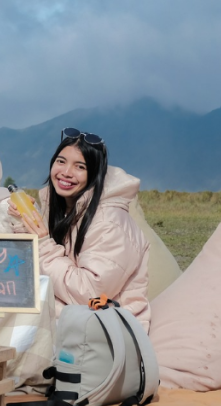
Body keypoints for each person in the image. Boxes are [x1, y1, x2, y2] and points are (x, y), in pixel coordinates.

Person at [12, 128, 151, 328]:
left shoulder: (109, 223)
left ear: (95, 174)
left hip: (104, 334)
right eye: (61, 161)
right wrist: (24, 224)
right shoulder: (63, 208)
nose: (66, 173)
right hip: (70, 323)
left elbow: (90, 294)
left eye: (80, 166)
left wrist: (43, 245)